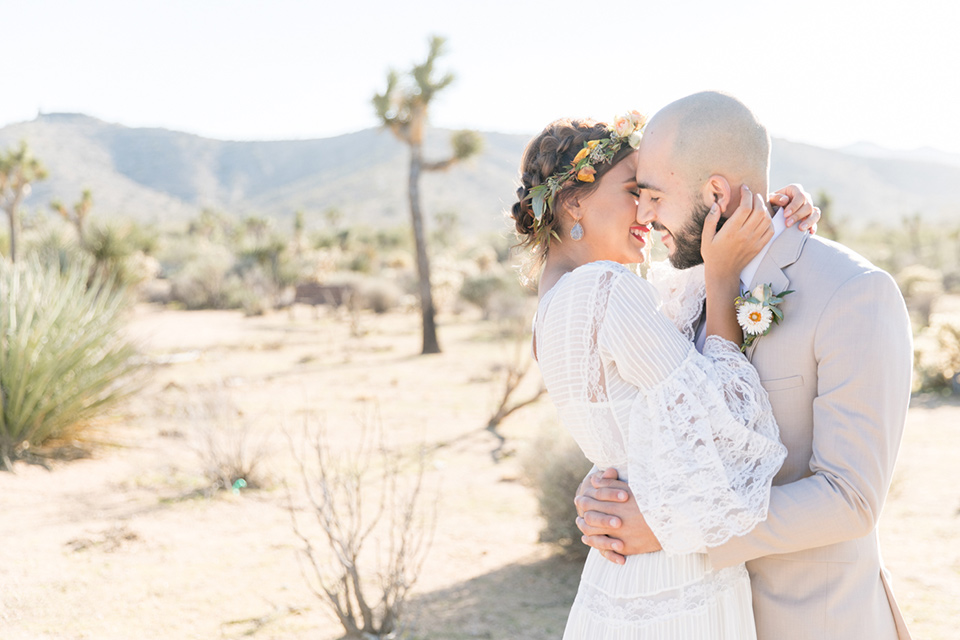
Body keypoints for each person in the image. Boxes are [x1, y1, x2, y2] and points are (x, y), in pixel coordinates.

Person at [574, 92, 913, 639]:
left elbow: (850, 499)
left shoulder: (854, 293)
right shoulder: (682, 293)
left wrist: (675, 528)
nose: (643, 214)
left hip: (813, 622)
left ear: (715, 192)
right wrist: (608, 489)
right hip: (701, 621)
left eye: (653, 196)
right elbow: (678, 426)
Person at [512, 113, 819, 639]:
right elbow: (727, 423)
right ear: (573, 203)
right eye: (633, 190)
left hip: (620, 573)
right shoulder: (605, 287)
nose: (646, 211)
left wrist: (768, 221)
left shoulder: (551, 310)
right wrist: (723, 277)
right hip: (676, 579)